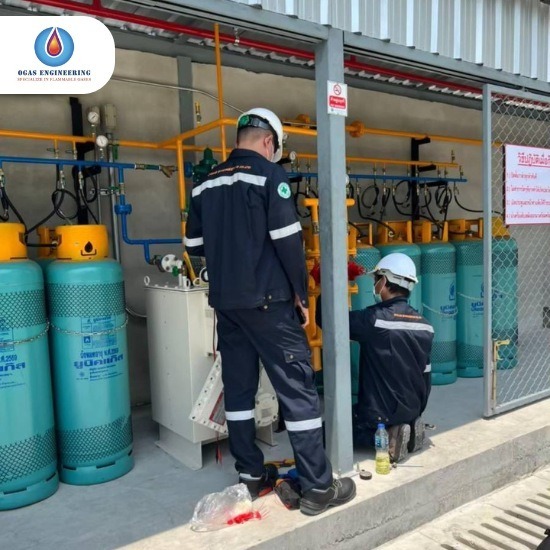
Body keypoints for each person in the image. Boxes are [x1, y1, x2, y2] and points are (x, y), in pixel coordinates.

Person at [184, 107, 356, 516]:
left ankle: (250, 476)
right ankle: (318, 487)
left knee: (239, 392)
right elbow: (288, 241)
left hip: (228, 306)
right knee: (297, 391)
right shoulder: (269, 176)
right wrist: (301, 294)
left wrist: (226, 269)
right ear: (268, 142)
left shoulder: (204, 184)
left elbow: (194, 246)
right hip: (270, 305)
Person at [317, 252, 433, 463]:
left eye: (377, 279)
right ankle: (410, 426)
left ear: (385, 281)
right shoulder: (425, 326)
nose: (375, 284)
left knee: (328, 431)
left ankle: (390, 436)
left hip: (379, 413)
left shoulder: (374, 320)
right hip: (413, 407)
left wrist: (323, 286)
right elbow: (426, 376)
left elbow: (327, 320)